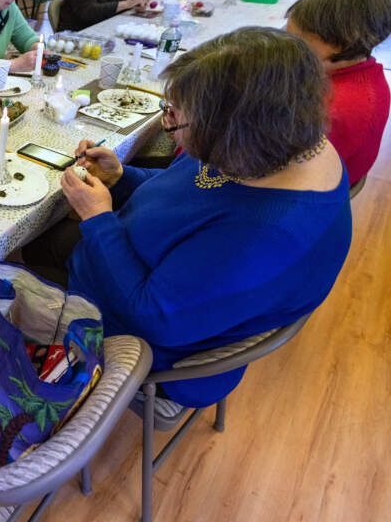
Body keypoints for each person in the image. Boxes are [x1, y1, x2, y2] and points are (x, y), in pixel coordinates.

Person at [22, 28, 352, 408]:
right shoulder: (272, 146)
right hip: (137, 263)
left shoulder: (266, 236)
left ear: (232, 131)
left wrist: (99, 219)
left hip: (142, 337)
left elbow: (150, 315)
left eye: (177, 120)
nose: (168, 127)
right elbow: (187, 189)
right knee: (40, 241)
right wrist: (123, 178)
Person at [285, 0, 391, 186]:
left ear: (345, 40)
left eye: (298, 39)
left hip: (312, 186)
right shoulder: (352, 69)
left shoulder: (341, 108)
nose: (288, 45)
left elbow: (292, 171)